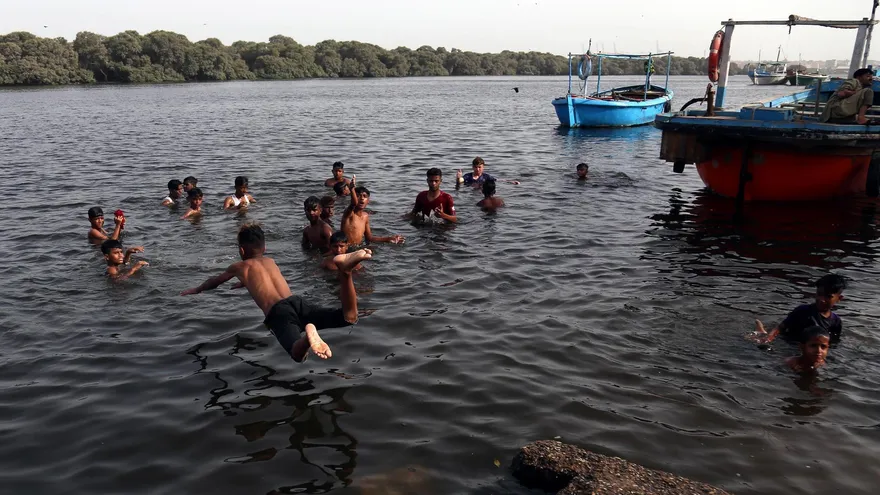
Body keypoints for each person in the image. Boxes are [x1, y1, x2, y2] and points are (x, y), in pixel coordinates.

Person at [181, 224, 372, 362]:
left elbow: (214, 282)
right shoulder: (270, 261)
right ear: (264, 248)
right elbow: (266, 280)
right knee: (349, 317)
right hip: (296, 302)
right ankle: (345, 272)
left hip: (278, 313)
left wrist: (197, 289)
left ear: (241, 250)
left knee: (297, 354)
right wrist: (245, 283)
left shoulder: (238, 267)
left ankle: (307, 337)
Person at [754, 274, 845, 344]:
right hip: (789, 344)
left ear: (839, 298)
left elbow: (831, 343)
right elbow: (780, 327)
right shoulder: (802, 311)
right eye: (819, 294)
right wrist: (769, 338)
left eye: (828, 296)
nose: (822, 300)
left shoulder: (836, 322)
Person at [342, 176, 405, 245]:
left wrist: (388, 239)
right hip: (345, 248)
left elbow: (369, 238)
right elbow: (353, 203)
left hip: (357, 247)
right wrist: (352, 189)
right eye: (358, 196)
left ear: (368, 201)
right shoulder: (349, 214)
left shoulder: (365, 216)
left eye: (364, 196)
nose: (362, 198)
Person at [456, 156, 520, 187]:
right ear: (472, 167)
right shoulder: (468, 176)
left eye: (479, 167)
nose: (477, 169)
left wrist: (511, 182)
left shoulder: (486, 177)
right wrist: (458, 178)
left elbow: (497, 180)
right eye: (475, 167)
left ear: (483, 167)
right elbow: (461, 181)